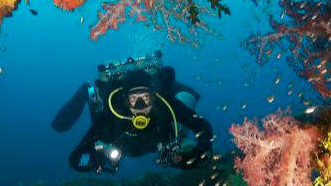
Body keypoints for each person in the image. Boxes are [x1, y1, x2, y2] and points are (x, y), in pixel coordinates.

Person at [52, 52, 213, 173]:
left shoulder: (164, 106)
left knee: (184, 123)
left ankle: (166, 86)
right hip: (117, 133)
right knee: (92, 113)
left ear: (153, 97)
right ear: (125, 100)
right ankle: (90, 93)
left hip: (158, 139)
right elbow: (75, 159)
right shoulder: (113, 112)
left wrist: (193, 156)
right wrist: (99, 158)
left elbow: (203, 127)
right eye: (134, 98)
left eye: (145, 98)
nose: (140, 104)